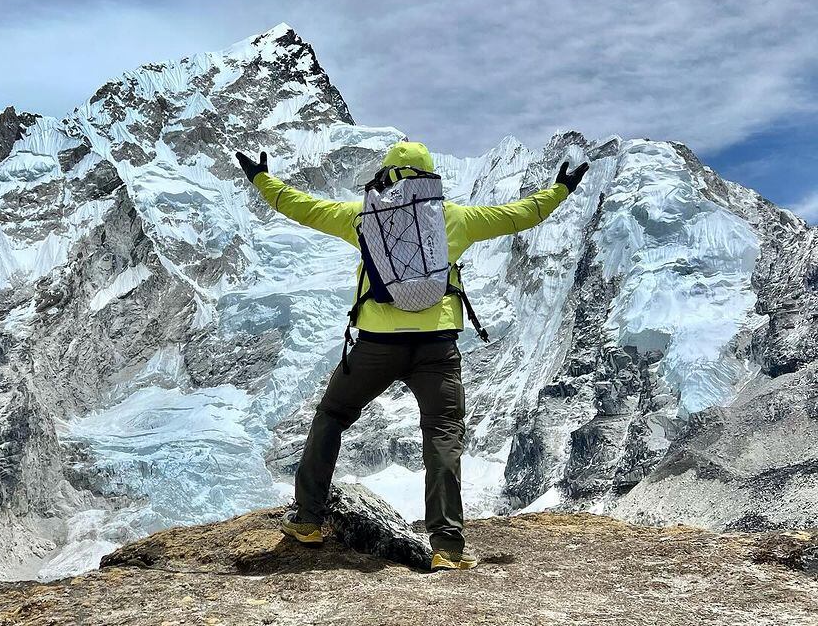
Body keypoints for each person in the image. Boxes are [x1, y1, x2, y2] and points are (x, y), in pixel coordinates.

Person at [235, 140, 587, 571]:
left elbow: (301, 207)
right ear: (428, 177)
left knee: (332, 415)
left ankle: (308, 520)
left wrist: (262, 179)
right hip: (437, 348)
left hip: (376, 345)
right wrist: (560, 190)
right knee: (442, 435)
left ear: (387, 175)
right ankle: (446, 548)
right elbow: (521, 214)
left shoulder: (363, 217)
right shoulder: (454, 218)